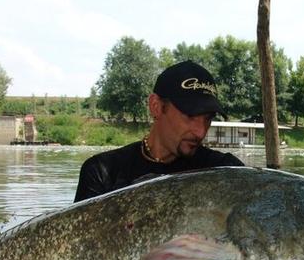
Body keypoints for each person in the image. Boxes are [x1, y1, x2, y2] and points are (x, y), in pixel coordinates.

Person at [74, 60, 244, 202]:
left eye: (208, 118)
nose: (200, 132)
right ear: (156, 106)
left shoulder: (229, 173)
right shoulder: (102, 173)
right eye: (190, 116)